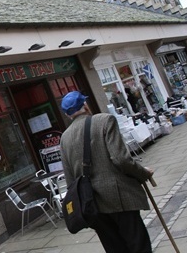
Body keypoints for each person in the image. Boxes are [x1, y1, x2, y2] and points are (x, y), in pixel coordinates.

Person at [59, 91, 154, 253]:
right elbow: (122, 160)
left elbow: (70, 181)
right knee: (138, 244)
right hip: (118, 197)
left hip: (92, 204)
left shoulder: (64, 138)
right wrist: (143, 173)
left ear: (68, 115)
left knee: (115, 249)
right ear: (85, 106)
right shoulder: (105, 120)